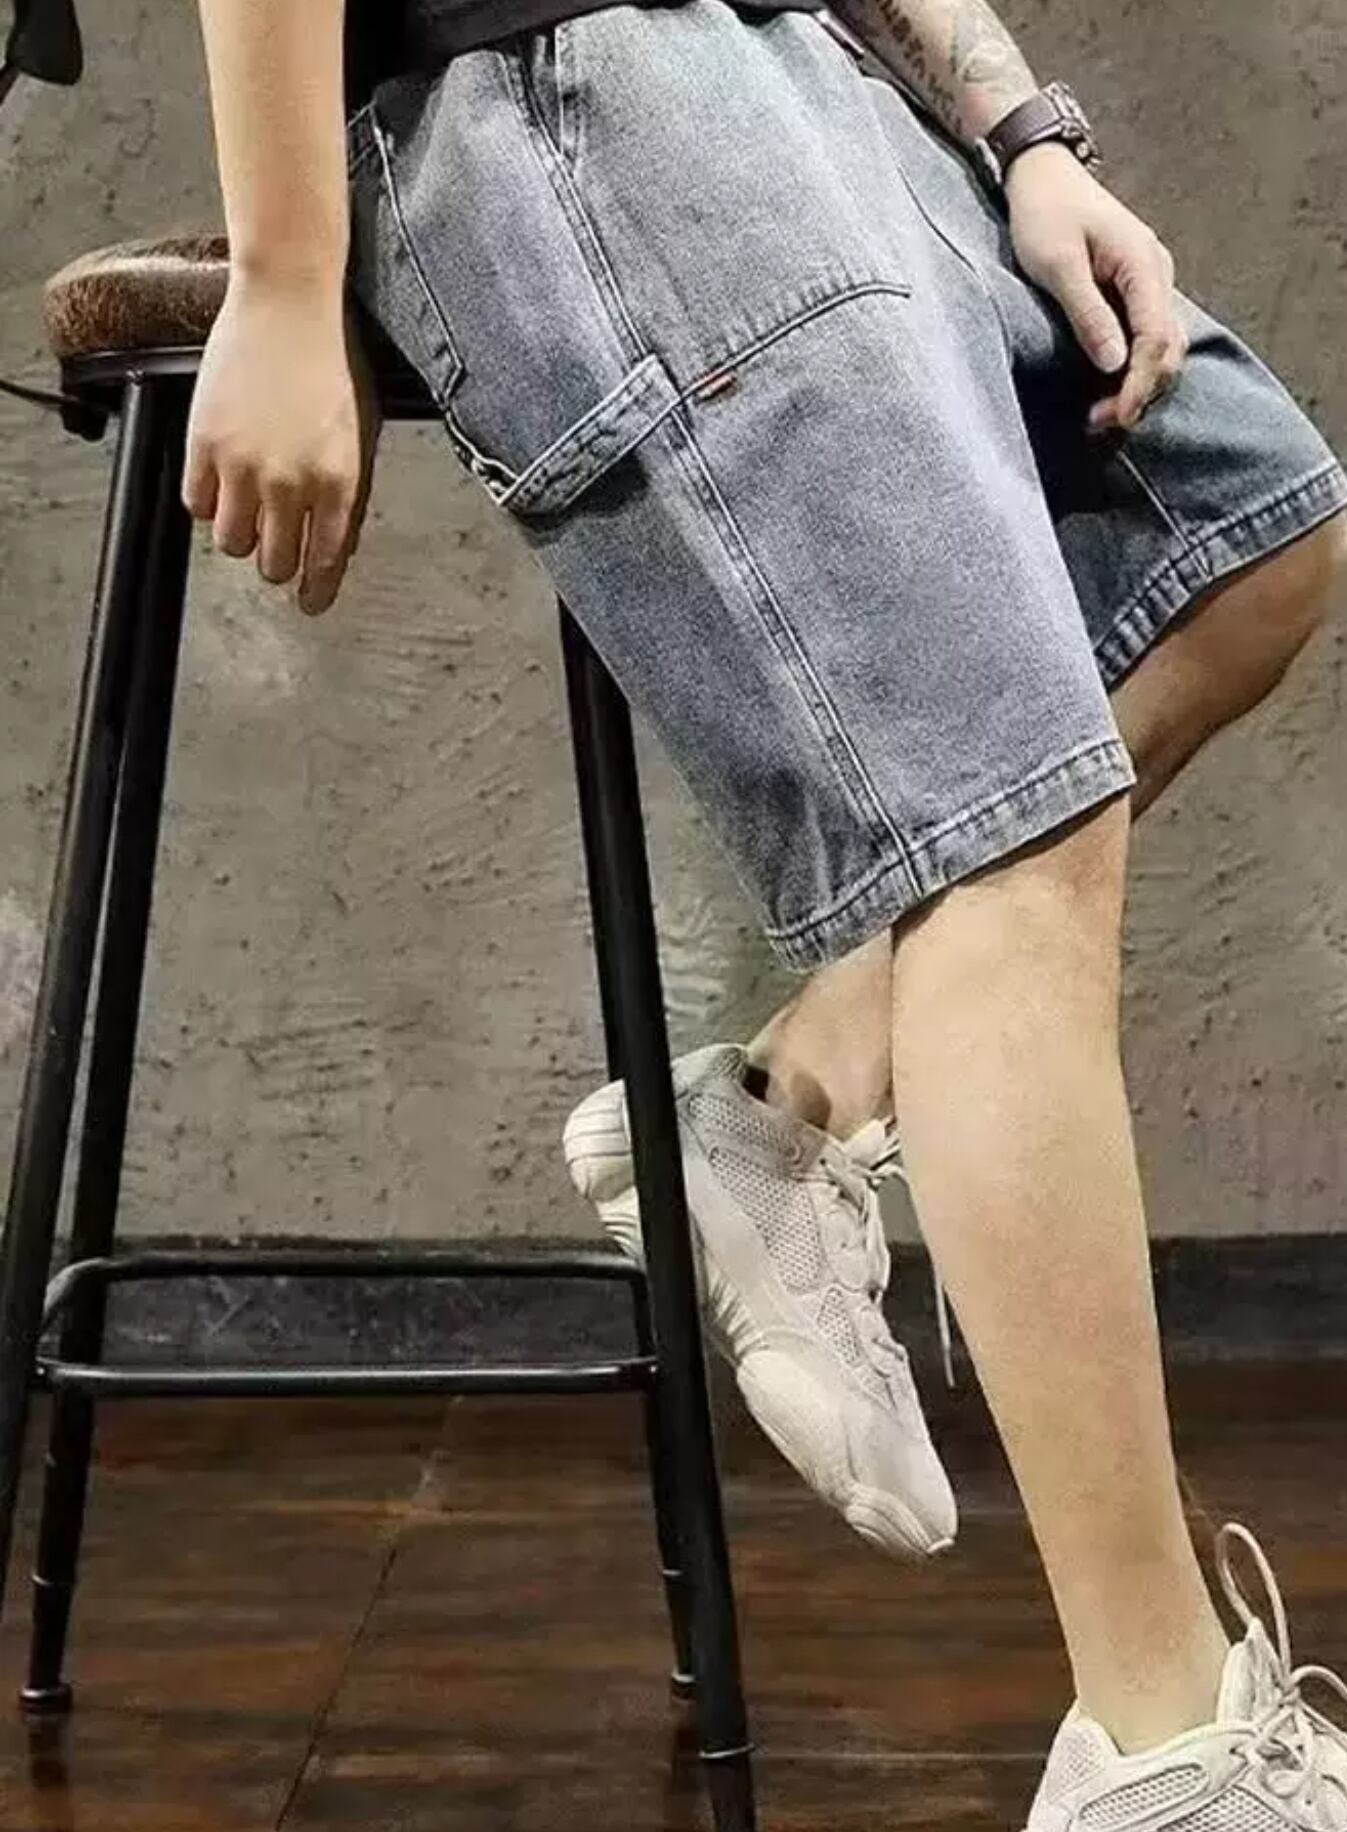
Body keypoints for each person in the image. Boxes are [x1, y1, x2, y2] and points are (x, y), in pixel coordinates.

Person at [185, 0, 1347, 1823]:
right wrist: (278, 270)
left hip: (808, 72)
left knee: (1252, 542)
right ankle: (1168, 1750)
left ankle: (785, 1106)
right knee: (1008, 838)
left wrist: (1025, 139)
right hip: (577, 84)